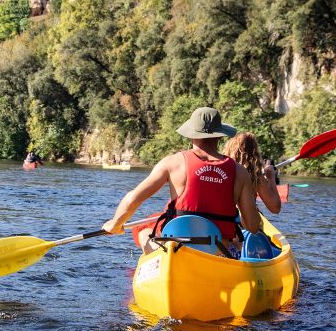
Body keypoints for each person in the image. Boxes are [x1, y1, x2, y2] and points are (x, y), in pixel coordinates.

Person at [101, 107, 259, 255]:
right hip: (218, 253)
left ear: (191, 134)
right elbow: (252, 226)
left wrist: (115, 224)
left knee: (143, 231)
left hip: (176, 251)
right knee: (236, 243)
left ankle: (160, 265)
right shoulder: (240, 172)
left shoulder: (172, 163)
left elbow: (133, 199)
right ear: (219, 135)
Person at [223, 133, 281, 214]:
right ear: (254, 152)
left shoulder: (221, 169)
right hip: (242, 220)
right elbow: (275, 208)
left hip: (221, 218)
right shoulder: (255, 175)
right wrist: (271, 178)